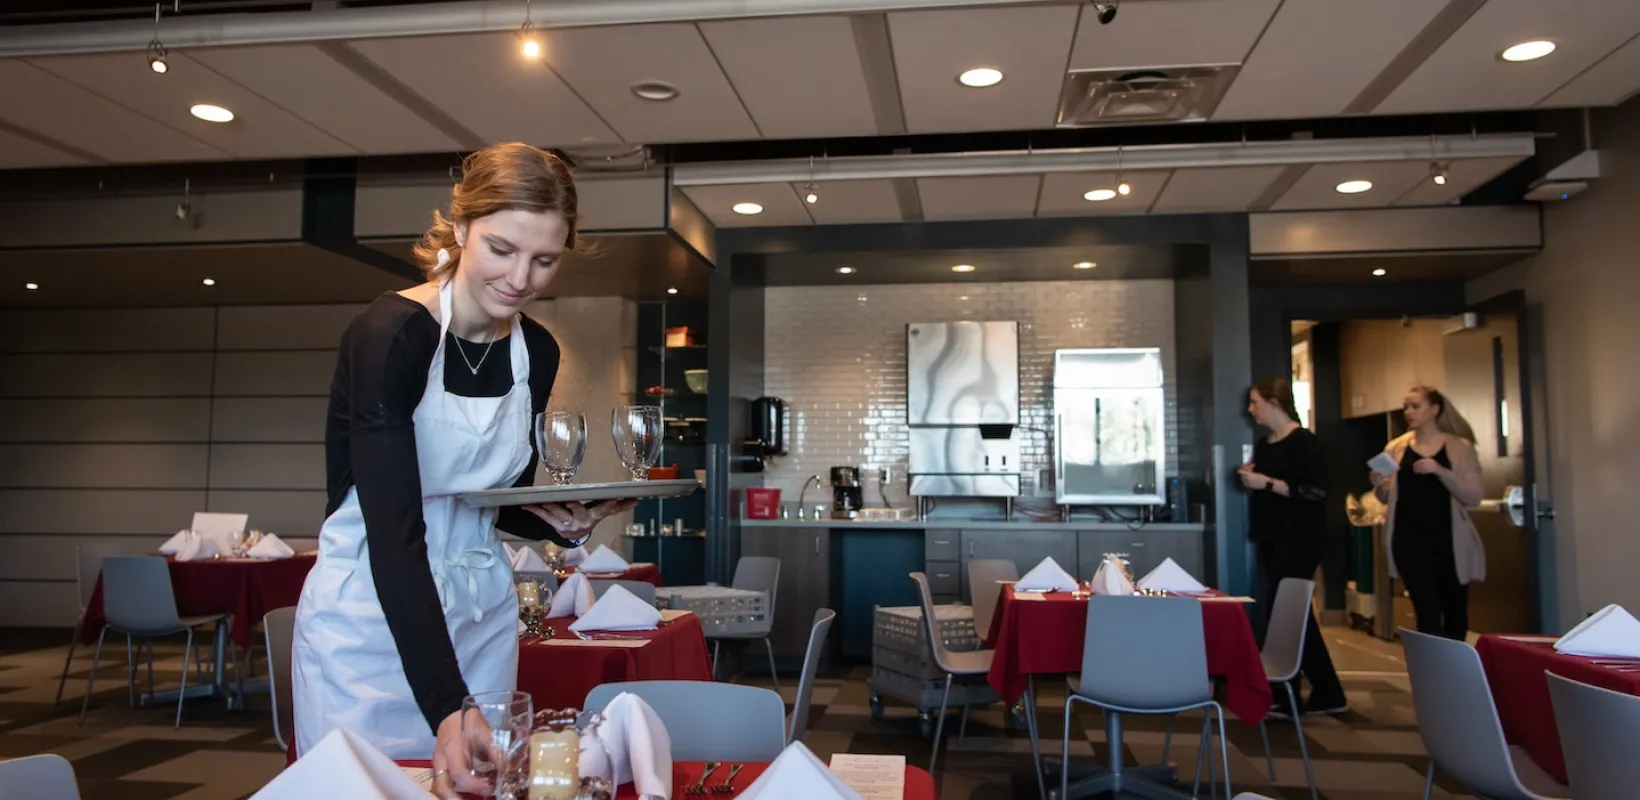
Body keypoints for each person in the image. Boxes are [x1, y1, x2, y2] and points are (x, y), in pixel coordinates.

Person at [291, 142, 636, 799]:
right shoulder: (392, 334)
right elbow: (395, 532)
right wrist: (447, 706)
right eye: (502, 249)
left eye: (544, 259)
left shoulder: (535, 348)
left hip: (481, 618)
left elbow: (492, 500)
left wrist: (559, 523)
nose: (521, 278)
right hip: (371, 619)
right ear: (459, 229)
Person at [1239, 378, 1348, 717]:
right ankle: (1324, 690)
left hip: (1300, 537)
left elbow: (1315, 492)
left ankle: (1289, 695)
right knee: (1294, 614)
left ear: (1274, 402)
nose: (1251, 409)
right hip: (1272, 536)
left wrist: (1267, 483)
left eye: (1255, 402)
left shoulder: (1305, 443)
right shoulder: (1266, 444)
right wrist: (1251, 480)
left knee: (1285, 611)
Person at [1372, 386, 1485, 640]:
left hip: (1448, 539)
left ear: (1434, 410)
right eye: (1406, 406)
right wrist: (1380, 484)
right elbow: (1385, 496)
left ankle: (1456, 672)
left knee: (1455, 612)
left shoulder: (1459, 447)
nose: (1408, 412)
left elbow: (1473, 495)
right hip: (1408, 537)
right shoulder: (1397, 447)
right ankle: (1432, 674)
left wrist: (1439, 470)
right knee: (1426, 611)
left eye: (1415, 406)